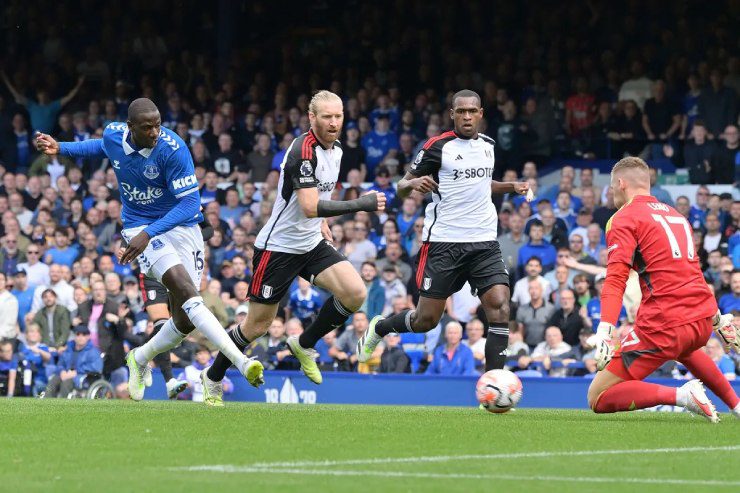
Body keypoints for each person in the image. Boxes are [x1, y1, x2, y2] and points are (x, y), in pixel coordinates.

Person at [34, 97, 262, 401]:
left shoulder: (173, 148)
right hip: (139, 225)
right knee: (188, 294)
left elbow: (192, 204)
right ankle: (242, 362)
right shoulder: (114, 134)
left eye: (157, 125)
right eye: (147, 127)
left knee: (182, 322)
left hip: (181, 226)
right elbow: (100, 146)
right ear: (131, 127)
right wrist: (61, 148)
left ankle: (140, 357)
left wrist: (148, 233)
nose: (155, 131)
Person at [201, 91, 385, 406]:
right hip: (279, 249)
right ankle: (213, 376)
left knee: (356, 293)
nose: (334, 122)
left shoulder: (336, 150)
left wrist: (323, 225)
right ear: (312, 118)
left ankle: (303, 343)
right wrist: (363, 203)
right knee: (256, 326)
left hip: (311, 242)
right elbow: (311, 205)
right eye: (327, 116)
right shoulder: (303, 151)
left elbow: (316, 201)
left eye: (338, 116)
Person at [358, 90, 529, 374]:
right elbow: (400, 187)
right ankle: (382, 326)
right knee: (426, 320)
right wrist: (413, 185)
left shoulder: (488, 145)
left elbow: (482, 184)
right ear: (452, 114)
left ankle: (494, 384)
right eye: (461, 111)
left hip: (484, 242)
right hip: (444, 244)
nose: (466, 116)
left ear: (480, 114)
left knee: (500, 307)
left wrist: (511, 186)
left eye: (472, 111)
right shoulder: (438, 146)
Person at [586, 156, 740, 422]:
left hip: (664, 323)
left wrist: (605, 329)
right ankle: (737, 406)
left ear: (621, 184)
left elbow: (615, 279)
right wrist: (716, 319)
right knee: (685, 348)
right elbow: (689, 272)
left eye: (612, 189)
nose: (612, 196)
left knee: (598, 396)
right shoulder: (677, 216)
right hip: (699, 319)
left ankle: (681, 396)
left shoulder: (623, 218)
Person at [45, 326, 102, 398]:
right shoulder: (68, 349)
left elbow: (96, 367)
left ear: (88, 336)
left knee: (66, 383)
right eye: (78, 334)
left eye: (83, 335)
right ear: (74, 336)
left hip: (83, 377)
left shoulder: (93, 351)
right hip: (66, 374)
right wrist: (62, 371)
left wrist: (76, 372)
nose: (80, 337)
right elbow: (60, 364)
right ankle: (46, 402)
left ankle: (63, 405)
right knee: (53, 381)